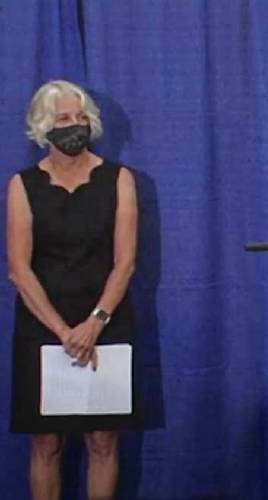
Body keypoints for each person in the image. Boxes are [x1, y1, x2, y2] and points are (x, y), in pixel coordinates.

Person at [6, 80, 139, 500]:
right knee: (46, 442)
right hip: (43, 327)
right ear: (44, 127)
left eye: (81, 118)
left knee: (103, 440)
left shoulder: (119, 179)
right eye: (65, 119)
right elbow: (18, 269)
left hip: (106, 321)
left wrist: (95, 323)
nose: (75, 126)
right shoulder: (22, 186)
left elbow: (125, 263)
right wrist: (65, 333)